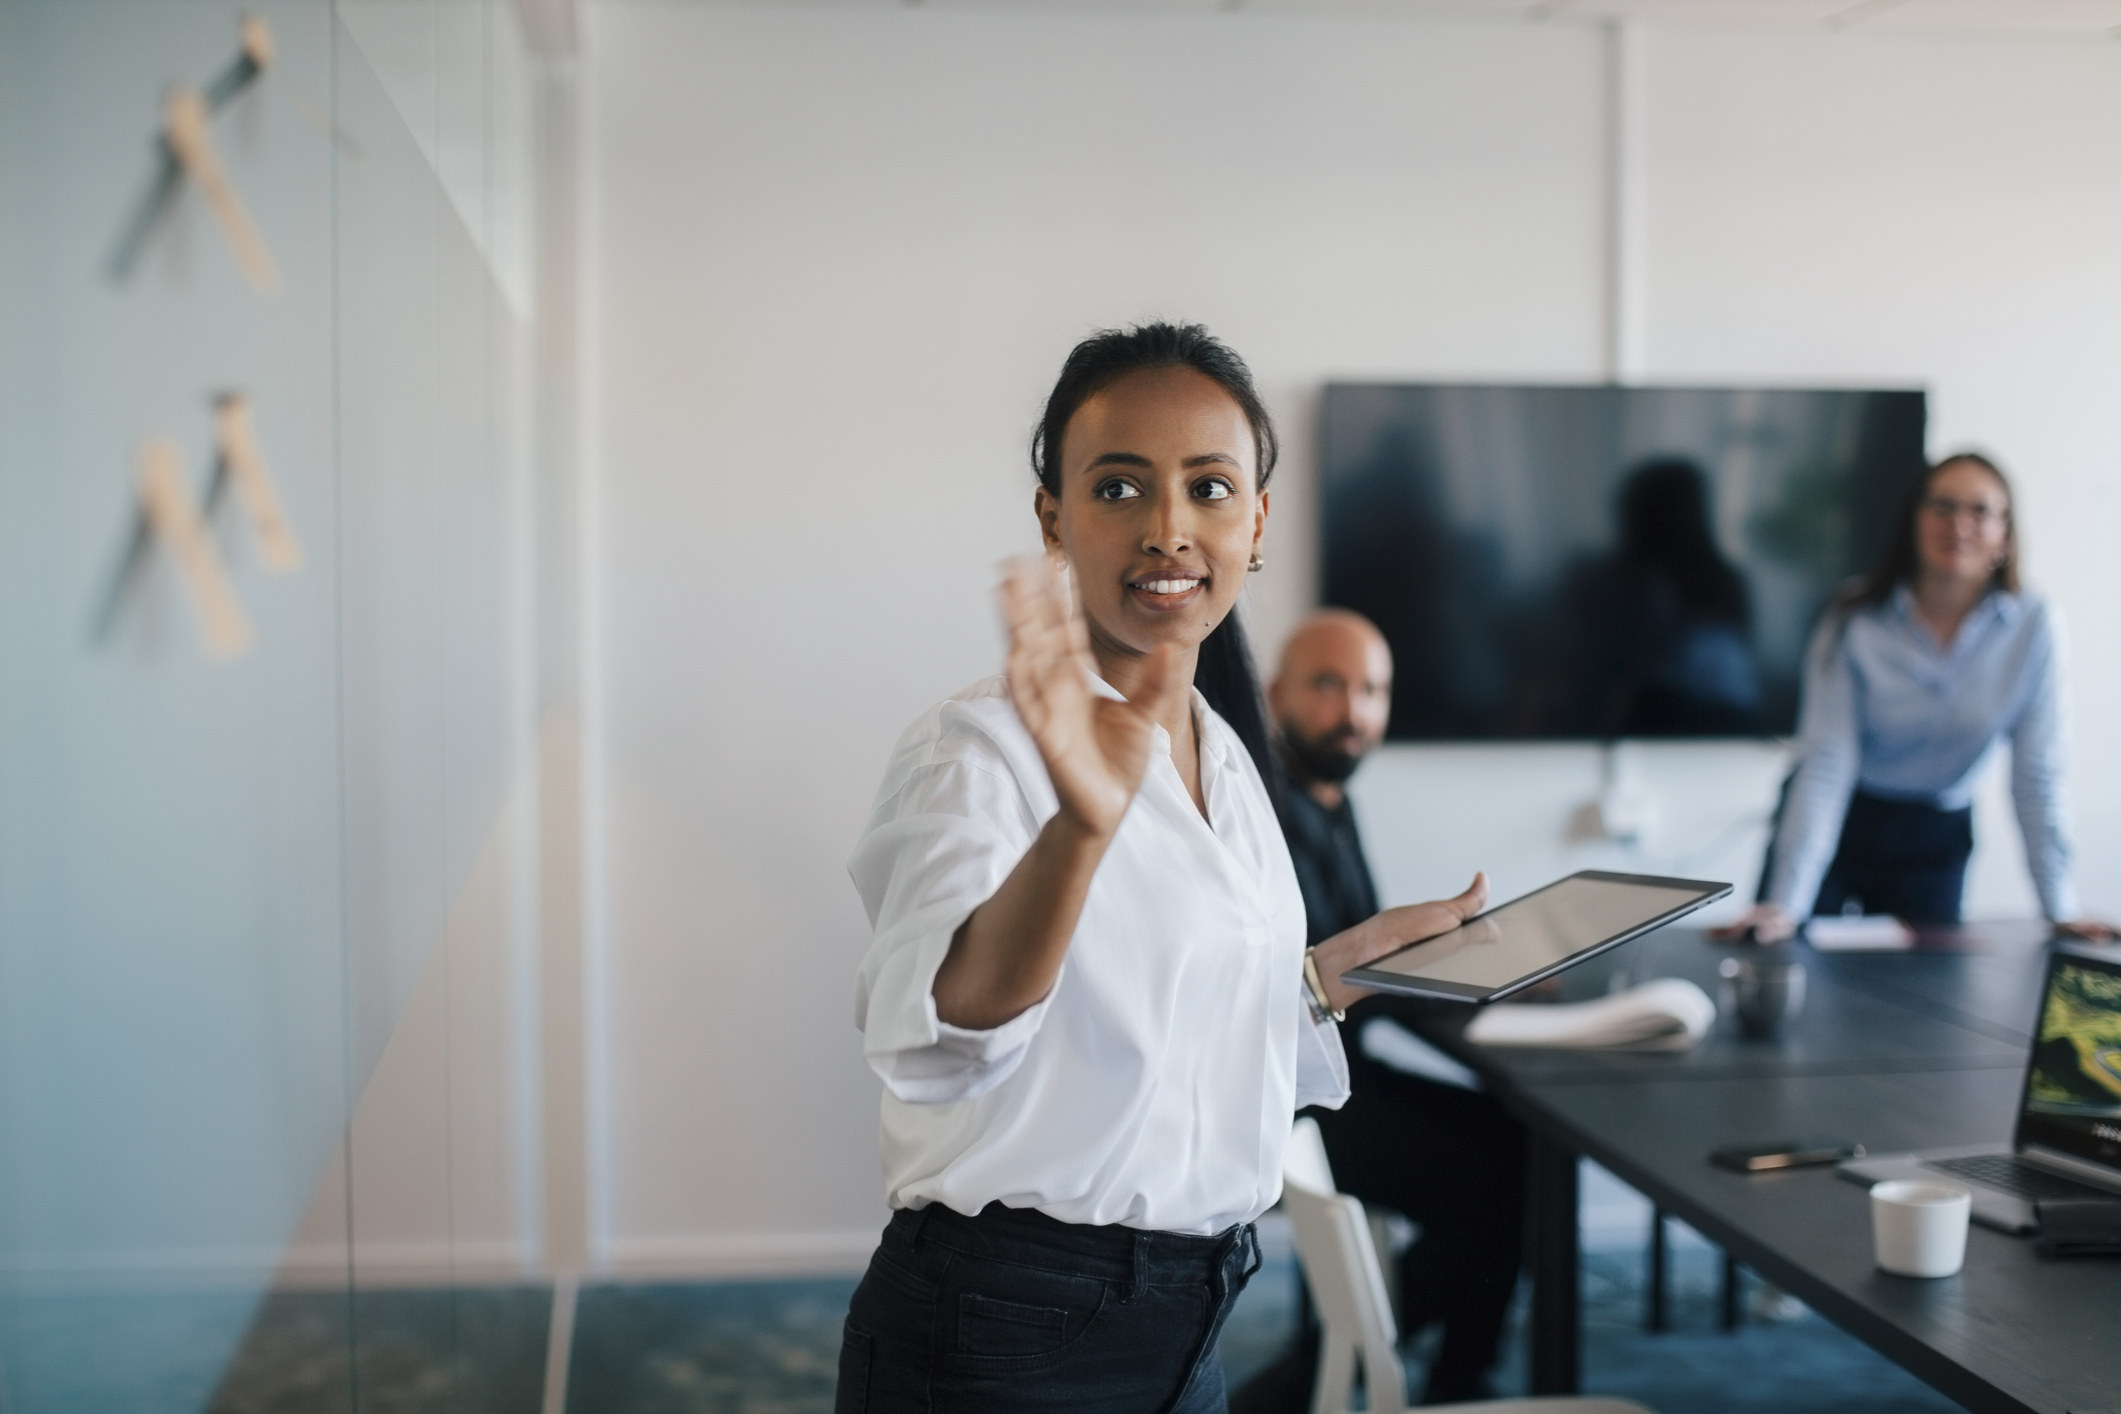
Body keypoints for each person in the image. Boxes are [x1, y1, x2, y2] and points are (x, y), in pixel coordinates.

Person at [838, 322, 1489, 1414]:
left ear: (1259, 520)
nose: (1170, 530)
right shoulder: (976, 748)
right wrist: (1080, 831)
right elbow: (949, 1022)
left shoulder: (1225, 753)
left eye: (1210, 487)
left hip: (1188, 1317)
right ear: (1054, 516)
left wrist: (1341, 973)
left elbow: (1171, 1033)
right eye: (1122, 488)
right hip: (1006, 1332)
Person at [1232, 611, 1526, 1409]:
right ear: (1274, 693)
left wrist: (1482, 971)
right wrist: (1446, 967)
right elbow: (1317, 980)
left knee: (1519, 1142)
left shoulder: (1330, 798)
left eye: (1371, 690)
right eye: (1327, 685)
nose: (1352, 710)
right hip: (1300, 1095)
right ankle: (1328, 1363)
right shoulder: (1267, 812)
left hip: (1350, 1075)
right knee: (1514, 1187)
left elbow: (1364, 963)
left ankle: (1455, 1375)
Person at [1728, 452, 2112, 943]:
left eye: (1980, 511)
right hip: (1842, 814)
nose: (1959, 525)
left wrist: (2060, 908)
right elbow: (1826, 764)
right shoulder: (1854, 616)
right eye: (1942, 507)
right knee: (1782, 956)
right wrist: (1785, 906)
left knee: (1926, 994)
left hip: (1935, 832)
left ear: (2006, 535)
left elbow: (2037, 777)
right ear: (1915, 520)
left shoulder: (2034, 626)